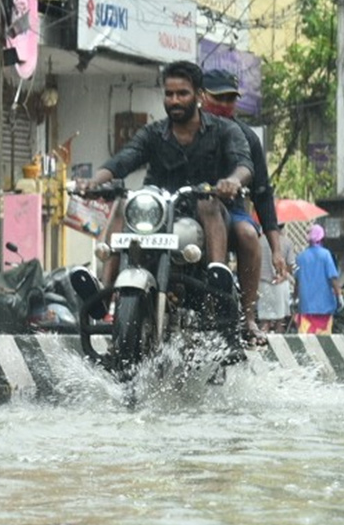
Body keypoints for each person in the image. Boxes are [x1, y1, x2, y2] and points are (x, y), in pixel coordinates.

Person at [74, 60, 253, 340]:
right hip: (157, 213)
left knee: (207, 202)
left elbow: (244, 164)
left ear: (198, 95)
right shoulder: (153, 133)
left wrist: (232, 181)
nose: (174, 100)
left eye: (182, 93)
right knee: (125, 202)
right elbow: (125, 158)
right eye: (169, 94)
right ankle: (103, 292)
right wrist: (94, 181)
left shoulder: (224, 131)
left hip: (206, 212)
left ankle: (218, 283)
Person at [199, 68, 288, 345]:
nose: (225, 104)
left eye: (230, 99)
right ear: (202, 96)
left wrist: (276, 250)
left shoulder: (246, 137)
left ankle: (247, 317)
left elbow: (262, 193)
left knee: (249, 235)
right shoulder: (184, 129)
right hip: (185, 205)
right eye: (218, 98)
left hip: (230, 211)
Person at [294, 224, 343, 334]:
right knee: (324, 339)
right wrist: (339, 295)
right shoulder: (325, 255)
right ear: (322, 238)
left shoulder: (300, 257)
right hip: (324, 306)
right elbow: (333, 278)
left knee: (306, 340)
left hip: (306, 306)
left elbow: (297, 282)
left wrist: (295, 297)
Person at [257, 221, 296, 332]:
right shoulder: (287, 242)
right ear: (282, 227)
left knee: (264, 320)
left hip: (262, 283)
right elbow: (290, 265)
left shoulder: (259, 241)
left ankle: (262, 345)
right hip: (281, 283)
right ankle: (279, 346)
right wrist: (283, 276)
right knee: (280, 319)